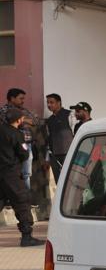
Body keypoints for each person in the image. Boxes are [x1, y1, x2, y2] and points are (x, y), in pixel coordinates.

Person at [1, 108, 41, 246]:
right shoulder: (16, 134)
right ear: (19, 120)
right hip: (11, 174)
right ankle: (27, 236)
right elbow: (23, 154)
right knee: (22, 202)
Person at [1, 88, 34, 189]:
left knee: (26, 173)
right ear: (12, 98)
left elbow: (35, 121)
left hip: (26, 144)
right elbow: (8, 122)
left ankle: (26, 197)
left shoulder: (24, 110)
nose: (23, 101)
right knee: (11, 172)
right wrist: (24, 120)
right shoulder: (4, 110)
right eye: (21, 98)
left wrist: (24, 120)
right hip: (10, 145)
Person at [43, 94, 74, 183]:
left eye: (51, 102)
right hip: (54, 156)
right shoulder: (49, 120)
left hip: (68, 154)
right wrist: (47, 159)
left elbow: (75, 133)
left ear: (59, 103)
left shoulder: (69, 115)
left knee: (70, 180)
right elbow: (49, 140)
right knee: (59, 181)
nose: (49, 105)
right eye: (48, 103)